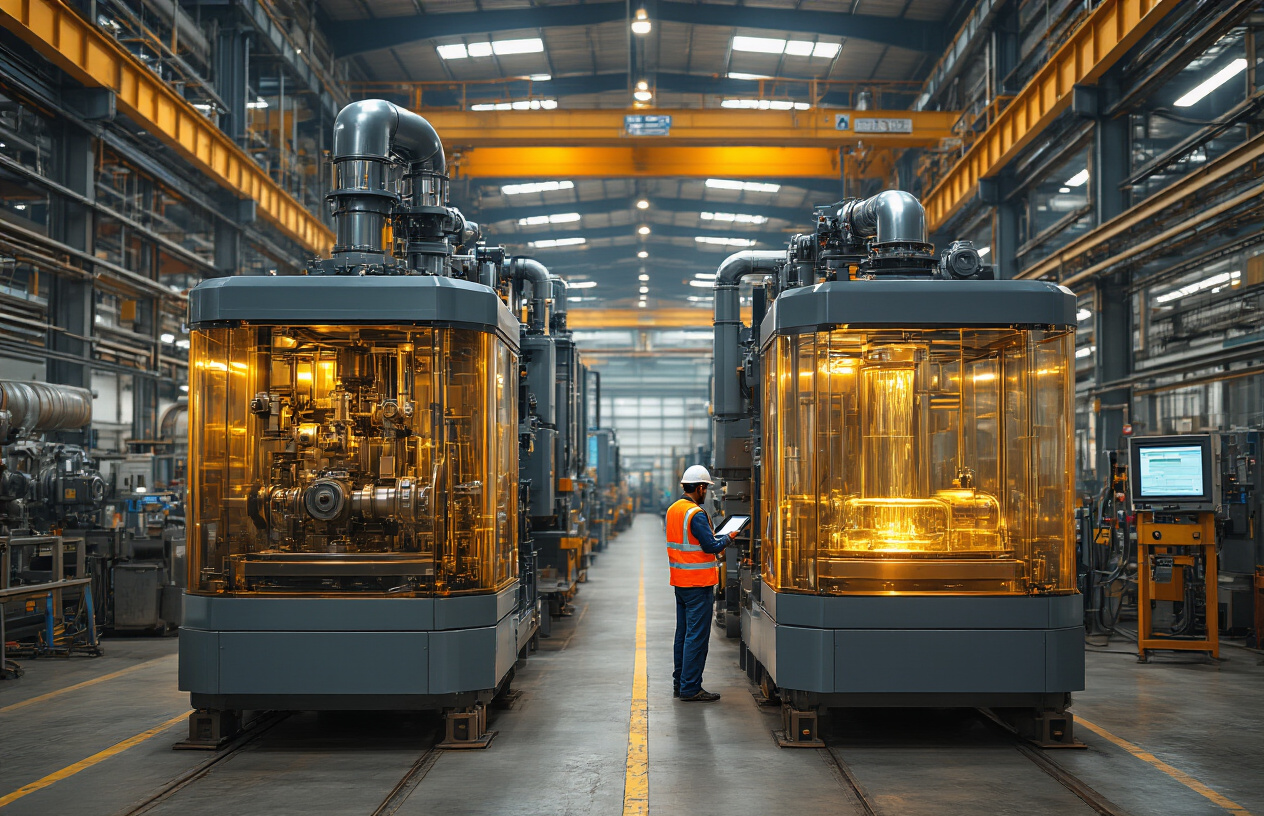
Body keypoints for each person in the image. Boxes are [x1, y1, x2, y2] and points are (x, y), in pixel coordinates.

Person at [665, 465, 737, 702]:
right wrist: (729, 537)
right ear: (699, 488)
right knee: (697, 637)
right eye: (705, 488)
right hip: (698, 584)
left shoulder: (674, 509)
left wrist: (714, 536)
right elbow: (711, 546)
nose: (705, 493)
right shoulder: (695, 513)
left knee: (683, 634)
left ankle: (680, 683)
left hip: (681, 582)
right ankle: (691, 688)